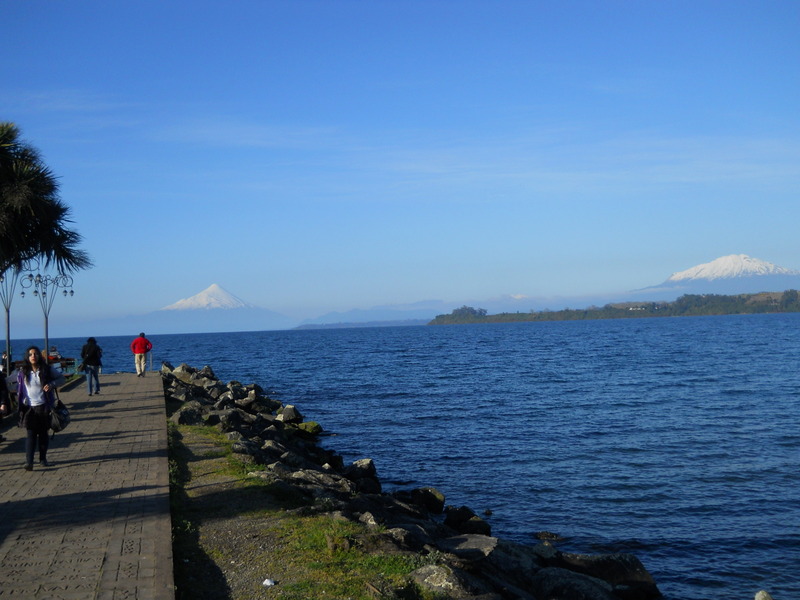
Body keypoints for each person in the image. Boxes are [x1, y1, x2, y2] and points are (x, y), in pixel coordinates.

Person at [17, 345, 65, 470]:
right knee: (31, 434)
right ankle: (29, 462)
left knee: (43, 434)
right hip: (29, 408)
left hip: (44, 406)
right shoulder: (23, 372)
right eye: (30, 354)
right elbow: (19, 388)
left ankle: (43, 459)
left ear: (39, 356)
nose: (33, 356)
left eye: (35, 354)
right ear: (27, 357)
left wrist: (51, 384)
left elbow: (61, 378)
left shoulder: (46, 369)